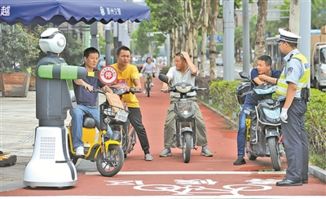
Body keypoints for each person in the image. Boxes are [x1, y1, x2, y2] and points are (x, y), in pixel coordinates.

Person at [159, 51, 213, 157]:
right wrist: (165, 86)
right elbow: (167, 78)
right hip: (176, 100)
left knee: (200, 121)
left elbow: (194, 71)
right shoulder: (172, 70)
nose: (176, 63)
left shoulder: (190, 69)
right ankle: (167, 147)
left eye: (178, 61)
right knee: (169, 122)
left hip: (191, 100)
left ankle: (204, 146)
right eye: (175, 61)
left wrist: (188, 58)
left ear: (184, 61)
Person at [275, 28, 310, 186]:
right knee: (301, 140)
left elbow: (292, 87)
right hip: (299, 103)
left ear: (286, 44)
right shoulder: (301, 58)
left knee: (292, 141)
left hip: (292, 104)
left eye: (280, 43)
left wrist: (285, 109)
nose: (279, 46)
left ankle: (294, 176)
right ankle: (302, 174)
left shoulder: (294, 61)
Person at [233, 55, 281, 165]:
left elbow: (281, 82)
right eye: (257, 65)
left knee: (283, 122)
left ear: (269, 66)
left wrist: (265, 77)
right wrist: (272, 81)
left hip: (269, 103)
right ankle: (240, 156)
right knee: (242, 126)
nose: (257, 67)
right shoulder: (254, 72)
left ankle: (284, 149)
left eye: (261, 65)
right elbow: (261, 84)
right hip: (251, 104)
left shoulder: (277, 73)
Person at [111, 46, 153, 161]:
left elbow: (137, 84)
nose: (126, 59)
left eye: (128, 56)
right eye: (123, 56)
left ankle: (147, 151)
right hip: (115, 103)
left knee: (139, 126)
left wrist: (134, 88)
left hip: (131, 103)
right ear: (117, 56)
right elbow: (105, 82)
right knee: (109, 124)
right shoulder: (111, 69)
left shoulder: (132, 68)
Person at [71, 47, 110, 156]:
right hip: (80, 106)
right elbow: (77, 80)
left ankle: (106, 149)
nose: (94, 61)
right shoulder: (79, 71)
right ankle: (78, 146)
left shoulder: (98, 73)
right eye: (92, 58)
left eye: (96, 58)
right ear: (85, 59)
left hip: (93, 107)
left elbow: (104, 87)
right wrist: (85, 84)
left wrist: (110, 91)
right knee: (76, 114)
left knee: (109, 133)